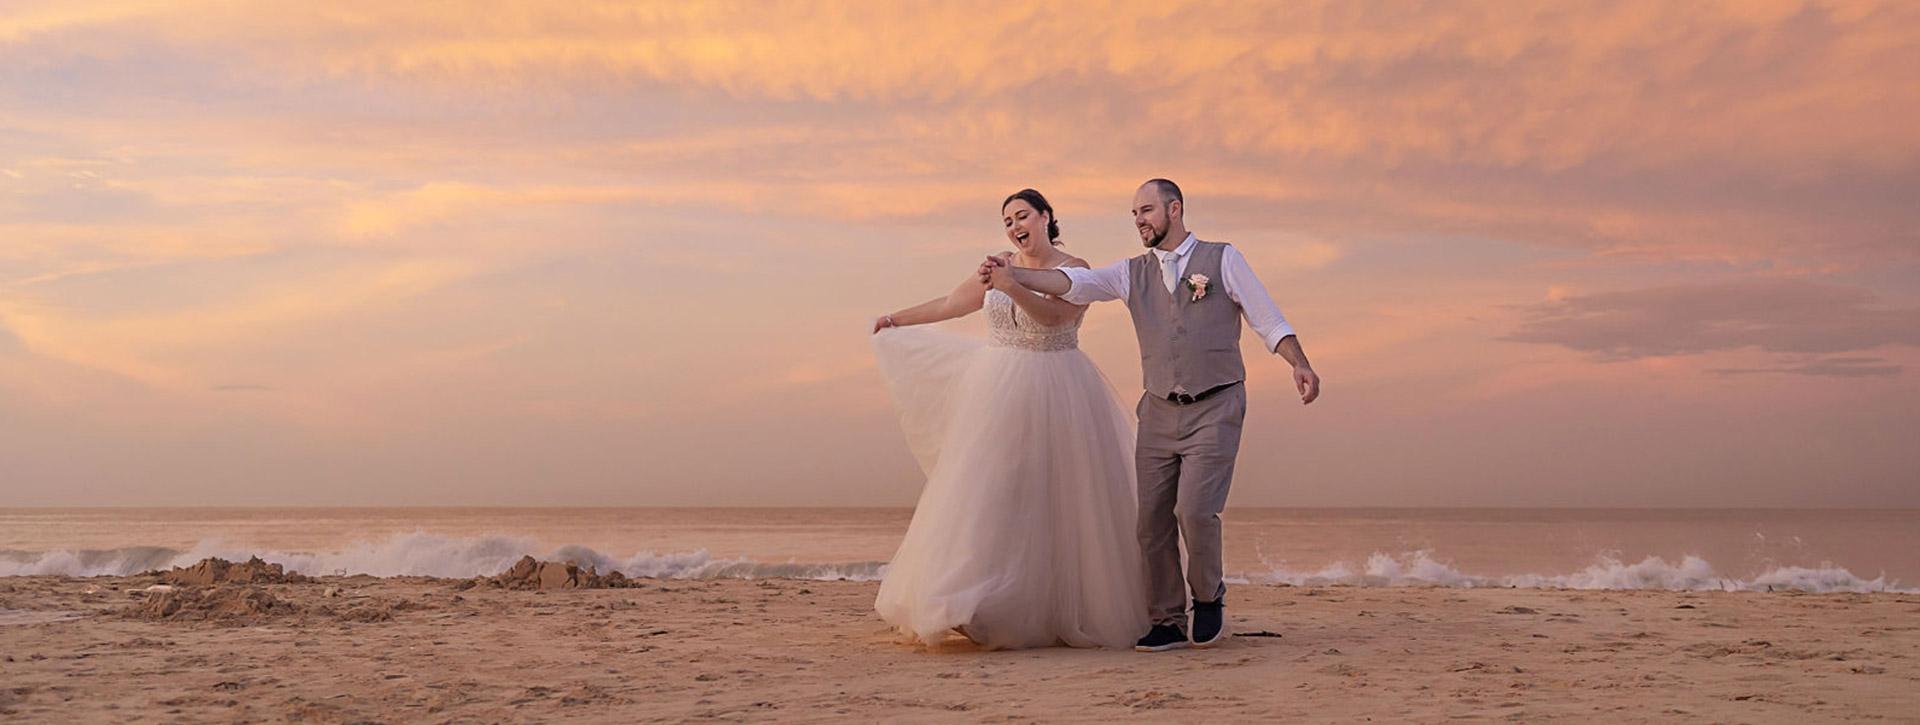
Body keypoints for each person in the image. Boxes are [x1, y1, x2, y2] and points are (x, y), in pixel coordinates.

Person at [980, 178, 1320, 652]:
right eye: (1133, 214)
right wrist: (1015, 277)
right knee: (1151, 522)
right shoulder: (1130, 272)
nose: (1138, 220)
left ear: (1173, 209)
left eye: (1146, 210)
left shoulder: (1222, 259)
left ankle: (1208, 596)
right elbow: (1075, 283)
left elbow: (1268, 318)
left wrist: (1299, 363)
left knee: (1195, 511)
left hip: (1217, 403)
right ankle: (1166, 619)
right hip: (1159, 409)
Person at [868, 189, 1149, 650]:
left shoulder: (1077, 270)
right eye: (1007, 220)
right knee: (988, 490)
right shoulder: (998, 263)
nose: (1015, 226)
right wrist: (896, 319)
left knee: (1059, 498)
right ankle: (972, 601)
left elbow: (1056, 319)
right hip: (996, 387)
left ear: (1046, 218)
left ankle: (1046, 607)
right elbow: (951, 304)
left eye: (1023, 216)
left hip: (1061, 388)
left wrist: (1012, 285)